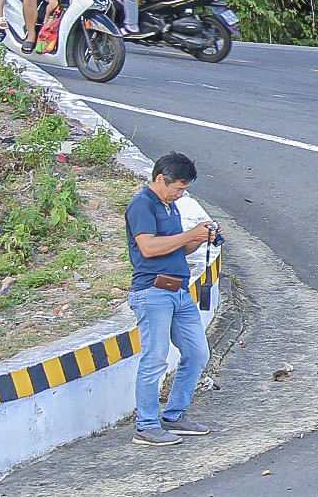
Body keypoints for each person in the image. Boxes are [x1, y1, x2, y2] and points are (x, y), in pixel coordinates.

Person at [126, 152, 220, 446]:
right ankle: (146, 425)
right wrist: (189, 234)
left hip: (179, 291)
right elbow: (149, 248)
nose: (182, 193)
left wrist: (201, 238)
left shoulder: (170, 206)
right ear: (159, 179)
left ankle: (174, 415)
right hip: (152, 292)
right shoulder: (141, 205)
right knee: (155, 359)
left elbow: (179, 250)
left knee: (197, 353)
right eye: (178, 187)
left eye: (185, 189)